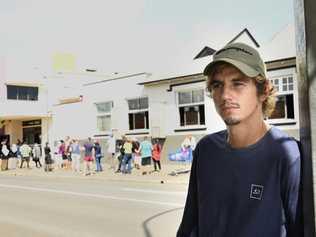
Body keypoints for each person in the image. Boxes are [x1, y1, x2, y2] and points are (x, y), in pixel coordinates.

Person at [177, 42, 302, 237]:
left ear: (263, 90)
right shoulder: (206, 150)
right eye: (217, 85)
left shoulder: (287, 153)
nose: (225, 95)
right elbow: (189, 226)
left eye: (238, 83)